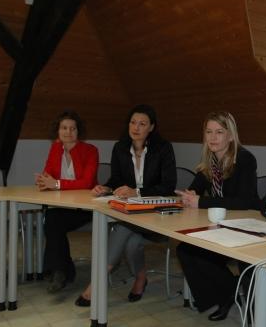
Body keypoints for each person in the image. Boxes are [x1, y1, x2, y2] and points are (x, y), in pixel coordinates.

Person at [76, 104, 177, 306]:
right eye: (133, 122)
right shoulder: (120, 148)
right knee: (131, 243)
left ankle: (97, 281)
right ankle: (141, 278)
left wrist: (137, 192)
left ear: (152, 127)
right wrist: (105, 188)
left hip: (156, 214)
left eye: (142, 123)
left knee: (122, 228)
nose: (136, 127)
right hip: (130, 212)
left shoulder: (163, 148)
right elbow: (116, 179)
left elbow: (168, 186)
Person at [176, 111, 258, 321]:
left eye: (219, 132)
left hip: (247, 225)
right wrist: (189, 195)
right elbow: (194, 190)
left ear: (230, 136)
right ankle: (226, 295)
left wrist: (201, 202)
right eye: (209, 132)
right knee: (186, 249)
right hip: (221, 225)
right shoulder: (210, 160)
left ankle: (230, 293)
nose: (212, 137)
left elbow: (244, 202)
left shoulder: (245, 159)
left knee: (199, 252)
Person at [37, 110, 99, 293]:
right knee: (52, 218)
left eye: (73, 128)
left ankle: (60, 271)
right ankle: (62, 271)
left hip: (86, 207)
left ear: (78, 132)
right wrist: (43, 181)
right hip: (63, 206)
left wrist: (55, 183)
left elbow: (86, 183)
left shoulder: (90, 150)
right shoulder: (55, 148)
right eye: (64, 128)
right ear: (58, 131)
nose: (68, 132)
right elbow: (48, 173)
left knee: (52, 221)